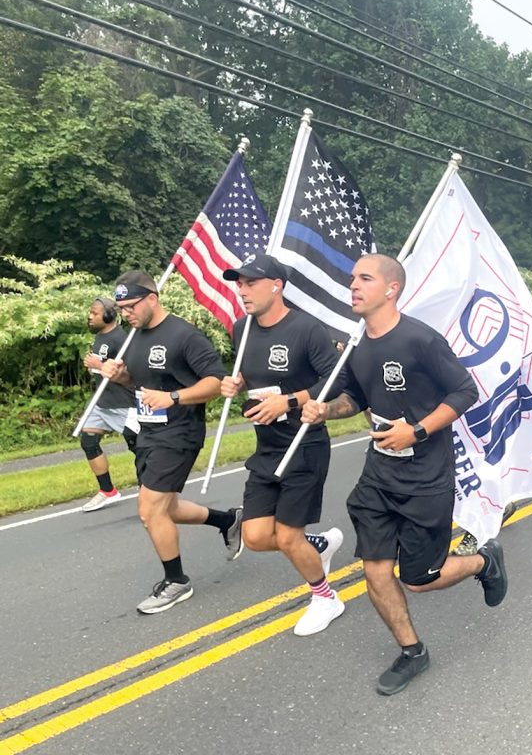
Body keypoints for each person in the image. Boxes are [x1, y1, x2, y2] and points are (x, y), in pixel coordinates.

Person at [302, 254, 506, 696]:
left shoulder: (420, 340)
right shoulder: (358, 344)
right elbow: (354, 398)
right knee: (375, 570)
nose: (353, 285)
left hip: (426, 477)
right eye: (353, 278)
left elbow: (465, 391)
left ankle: (483, 561)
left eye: (365, 278)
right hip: (378, 477)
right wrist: (325, 412)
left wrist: (416, 431)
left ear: (391, 289)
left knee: (418, 578)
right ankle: (412, 651)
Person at [219, 254, 346, 637]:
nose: (242, 290)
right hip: (267, 446)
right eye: (238, 283)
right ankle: (317, 545)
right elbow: (249, 373)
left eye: (250, 283)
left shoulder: (307, 328)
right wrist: (235, 384)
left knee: (288, 535)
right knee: (256, 536)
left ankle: (326, 597)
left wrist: (290, 400)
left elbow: (335, 381)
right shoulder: (241, 329)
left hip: (304, 445)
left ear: (277, 285)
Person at [101, 271, 240, 614]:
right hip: (148, 432)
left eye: (131, 306)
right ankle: (228, 521)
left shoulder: (184, 335)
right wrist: (122, 378)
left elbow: (217, 381)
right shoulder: (133, 337)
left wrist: (175, 397)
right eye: (120, 310)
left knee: (149, 511)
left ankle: (176, 581)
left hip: (179, 433)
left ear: (152, 297)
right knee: (167, 508)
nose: (126, 314)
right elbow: (142, 386)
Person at [80, 297, 140, 512]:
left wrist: (99, 364)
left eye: (94, 313)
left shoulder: (121, 339)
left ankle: (152, 493)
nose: (90, 316)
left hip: (124, 403)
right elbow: (104, 369)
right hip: (102, 401)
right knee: (88, 441)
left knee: (139, 447)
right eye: (90, 312)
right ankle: (107, 491)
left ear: (108, 315)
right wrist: (95, 367)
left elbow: (130, 373)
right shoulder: (100, 337)